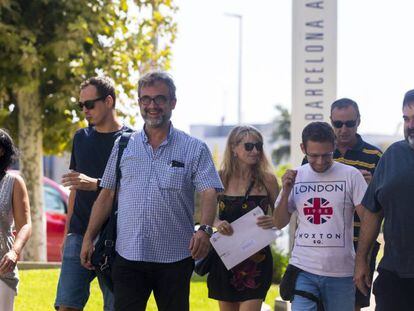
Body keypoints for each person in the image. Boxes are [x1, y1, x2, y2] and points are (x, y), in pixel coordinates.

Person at [80, 71, 223, 311]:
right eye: (145, 99)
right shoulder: (124, 144)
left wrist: (205, 230)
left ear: (172, 103)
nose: (152, 105)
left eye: (159, 99)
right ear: (139, 104)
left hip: (175, 259)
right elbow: (106, 194)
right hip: (128, 256)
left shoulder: (194, 148)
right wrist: (88, 237)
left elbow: (210, 191)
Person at [55, 76, 130, 311]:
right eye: (81, 105)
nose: (85, 111)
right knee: (66, 305)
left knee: (116, 307)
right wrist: (68, 234)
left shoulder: (132, 141)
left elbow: (135, 192)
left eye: (90, 104)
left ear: (109, 101)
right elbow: (75, 188)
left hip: (117, 237)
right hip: (78, 234)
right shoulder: (81, 137)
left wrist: (96, 184)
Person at [274, 122, 367, 311]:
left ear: (334, 145)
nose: (320, 161)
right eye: (314, 155)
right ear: (303, 148)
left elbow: (368, 221)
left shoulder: (351, 175)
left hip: (341, 272)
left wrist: (362, 261)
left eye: (327, 155)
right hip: (303, 269)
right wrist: (285, 192)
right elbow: (278, 222)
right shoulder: (295, 177)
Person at [303, 98, 382, 310]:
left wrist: (372, 187)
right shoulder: (316, 154)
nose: (344, 129)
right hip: (322, 246)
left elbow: (386, 203)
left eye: (350, 123)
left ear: (359, 121)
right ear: (331, 122)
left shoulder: (375, 157)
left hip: (360, 244)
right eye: (338, 124)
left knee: (352, 305)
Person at [207, 125, 280, 311]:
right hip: (226, 257)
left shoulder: (268, 180)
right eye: (249, 146)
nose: (255, 151)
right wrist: (216, 222)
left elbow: (282, 216)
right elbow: (203, 213)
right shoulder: (220, 178)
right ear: (234, 148)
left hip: (257, 259)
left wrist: (274, 221)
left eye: (258, 146)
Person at [354, 90, 414, 311]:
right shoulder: (392, 156)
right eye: (406, 119)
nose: (410, 125)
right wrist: (361, 260)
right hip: (394, 274)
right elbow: (373, 210)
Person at [0, 129, 32, 311]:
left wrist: (15, 252)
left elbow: (25, 224)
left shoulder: (13, 182)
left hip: (2, 268)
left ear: (1, 150)